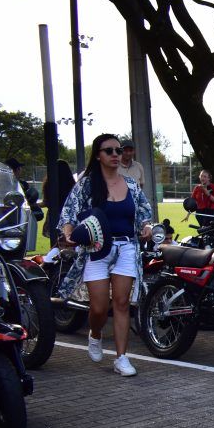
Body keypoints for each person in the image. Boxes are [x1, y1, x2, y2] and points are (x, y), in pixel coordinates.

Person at [57, 133, 154, 377]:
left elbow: (144, 212)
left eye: (118, 151)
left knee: (121, 304)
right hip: (97, 250)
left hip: (126, 247)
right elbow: (69, 212)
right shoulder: (87, 183)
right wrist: (69, 233)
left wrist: (147, 227)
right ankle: (96, 333)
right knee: (99, 308)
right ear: (98, 155)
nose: (115, 155)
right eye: (109, 151)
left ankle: (121, 358)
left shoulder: (131, 184)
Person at [41, 160, 75, 249]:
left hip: (54, 217)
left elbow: (46, 202)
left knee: (57, 244)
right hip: (68, 217)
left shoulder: (49, 185)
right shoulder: (72, 185)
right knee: (67, 243)